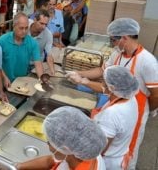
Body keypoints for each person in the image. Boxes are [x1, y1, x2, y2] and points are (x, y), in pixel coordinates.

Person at [66, 18, 158, 170]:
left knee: (128, 153)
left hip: (136, 113)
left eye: (114, 40)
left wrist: (148, 110)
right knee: (111, 147)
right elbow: (101, 72)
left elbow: (156, 94)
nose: (113, 43)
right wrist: (78, 74)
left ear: (125, 38)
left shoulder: (147, 62)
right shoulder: (118, 54)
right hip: (118, 104)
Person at [17, 106, 107, 170]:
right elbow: (50, 161)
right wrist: (18, 166)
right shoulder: (86, 149)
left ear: (65, 149)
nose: (47, 143)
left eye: (50, 142)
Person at [90, 66, 139, 169]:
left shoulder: (112, 114)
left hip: (108, 162)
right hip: (120, 153)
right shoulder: (131, 98)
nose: (102, 85)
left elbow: (100, 148)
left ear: (112, 88)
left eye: (104, 83)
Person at [0, 12, 43, 88]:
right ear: (14, 26)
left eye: (26, 28)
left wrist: (42, 80)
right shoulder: (2, 41)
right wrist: (4, 77)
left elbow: (38, 64)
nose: (24, 31)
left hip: (21, 82)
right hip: (4, 82)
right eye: (21, 28)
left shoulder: (32, 43)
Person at [28, 9, 55, 75]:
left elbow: (49, 55)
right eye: (41, 23)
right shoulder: (25, 25)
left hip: (36, 64)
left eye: (46, 24)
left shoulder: (48, 34)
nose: (43, 27)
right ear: (34, 20)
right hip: (21, 62)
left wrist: (52, 70)